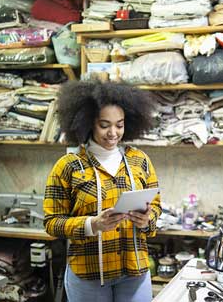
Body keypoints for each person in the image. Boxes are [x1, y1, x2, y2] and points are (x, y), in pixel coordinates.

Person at [43, 81, 161, 302]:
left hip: (134, 272)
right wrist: (92, 224)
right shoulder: (68, 166)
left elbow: (155, 207)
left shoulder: (140, 161)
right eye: (104, 125)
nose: (113, 133)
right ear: (88, 123)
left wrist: (147, 220)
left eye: (120, 124)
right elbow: (51, 222)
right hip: (88, 276)